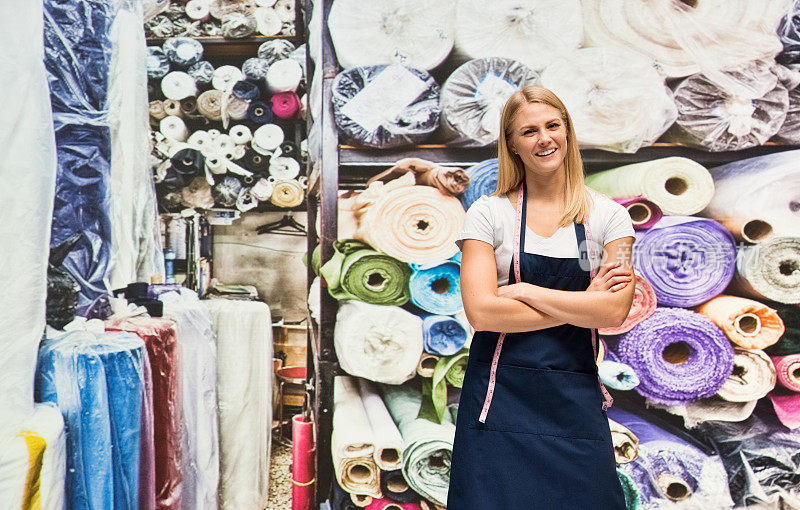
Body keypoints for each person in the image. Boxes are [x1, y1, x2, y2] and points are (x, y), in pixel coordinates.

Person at [447, 85, 635, 509]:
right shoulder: (488, 214)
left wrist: (528, 291)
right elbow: (482, 312)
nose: (544, 138)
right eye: (529, 131)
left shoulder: (608, 217)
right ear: (512, 144)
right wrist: (580, 304)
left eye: (553, 125)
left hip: (574, 400)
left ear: (567, 132)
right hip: (500, 400)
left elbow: (613, 309)